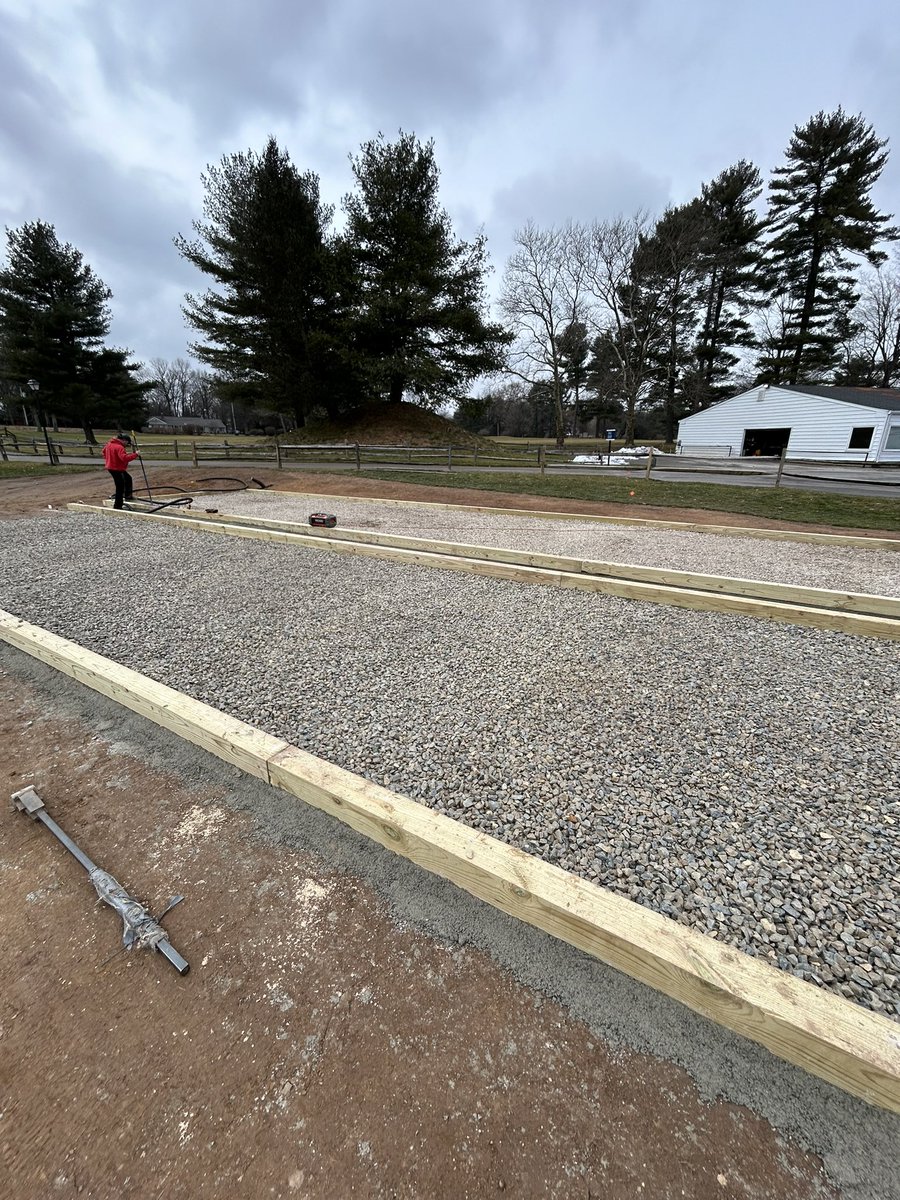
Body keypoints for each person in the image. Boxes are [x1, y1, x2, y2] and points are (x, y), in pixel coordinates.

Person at [102, 433, 141, 509]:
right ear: (123, 440)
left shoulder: (109, 444)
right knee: (120, 486)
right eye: (127, 442)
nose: (127, 444)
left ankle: (128, 496)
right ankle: (118, 505)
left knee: (128, 478)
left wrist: (109, 459)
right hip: (116, 468)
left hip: (112, 467)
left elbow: (103, 452)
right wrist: (135, 454)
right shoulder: (119, 447)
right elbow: (124, 458)